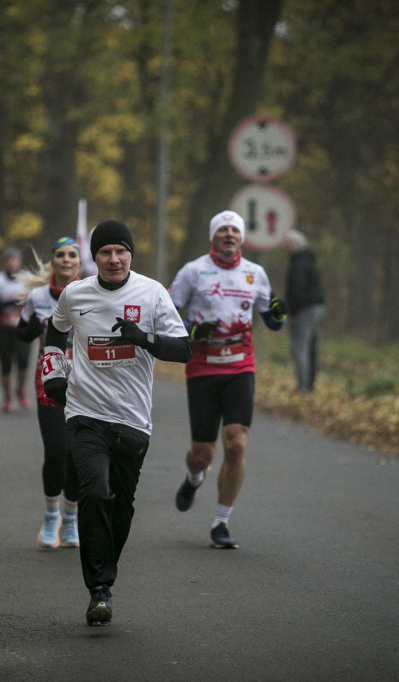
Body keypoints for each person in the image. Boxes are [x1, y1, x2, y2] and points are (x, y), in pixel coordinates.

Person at [41, 220, 190, 625]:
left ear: (130, 255)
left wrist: (143, 338)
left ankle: (105, 574)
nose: (113, 258)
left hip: (133, 420)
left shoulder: (151, 293)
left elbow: (184, 349)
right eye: (105, 252)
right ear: (95, 257)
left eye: (120, 251)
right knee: (95, 492)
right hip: (85, 413)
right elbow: (54, 334)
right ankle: (99, 589)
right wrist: (52, 375)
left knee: (120, 507)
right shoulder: (76, 293)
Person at [168, 209, 286, 549]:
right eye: (223, 230)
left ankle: (221, 522)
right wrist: (191, 330)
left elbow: (272, 319)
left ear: (242, 238)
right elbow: (166, 312)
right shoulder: (193, 271)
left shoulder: (255, 274)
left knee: (236, 444)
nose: (230, 235)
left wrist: (279, 317)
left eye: (235, 230)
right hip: (203, 366)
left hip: (240, 365)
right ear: (213, 237)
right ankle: (194, 477)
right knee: (203, 453)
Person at [15, 237, 83, 550]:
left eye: (72, 255)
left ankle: (70, 518)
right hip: (50, 380)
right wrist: (27, 326)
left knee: (77, 455)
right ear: (53, 261)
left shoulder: (92, 293)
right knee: (57, 452)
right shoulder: (38, 297)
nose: (66, 259)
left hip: (87, 385)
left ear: (79, 263)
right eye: (60, 255)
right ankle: (51, 516)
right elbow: (24, 331)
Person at [0, 247, 33, 412]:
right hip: (2, 328)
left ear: (19, 262)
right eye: (9, 260)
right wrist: (10, 303)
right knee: (5, 363)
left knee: (23, 361)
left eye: (15, 259)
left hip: (22, 328)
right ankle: (7, 397)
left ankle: (20, 390)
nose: (12, 262)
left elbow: (36, 300)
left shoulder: (27, 279)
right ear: (5, 263)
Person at [283, 230, 326, 394]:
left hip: (305, 310)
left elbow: (296, 290)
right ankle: (310, 383)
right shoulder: (309, 260)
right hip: (318, 308)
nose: (284, 247)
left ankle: (303, 387)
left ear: (295, 244)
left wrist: (293, 312)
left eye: (287, 243)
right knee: (312, 347)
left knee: (300, 348)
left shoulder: (298, 263)